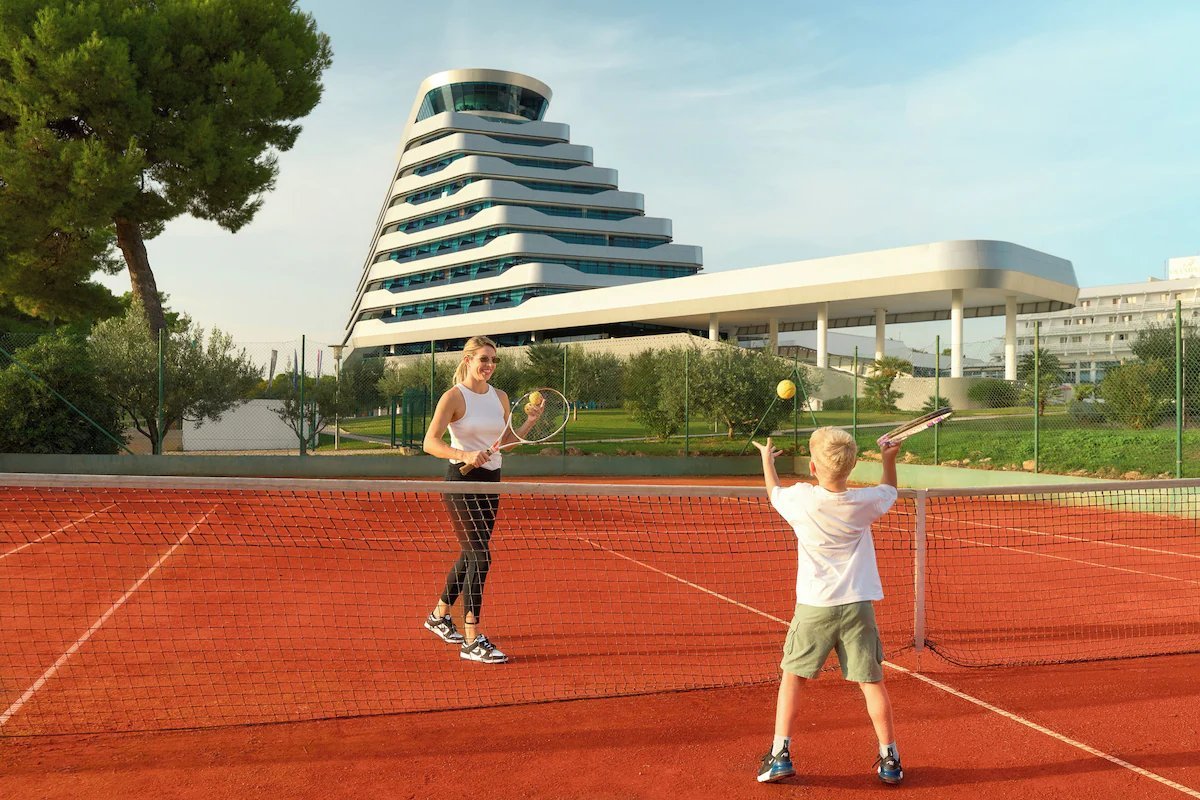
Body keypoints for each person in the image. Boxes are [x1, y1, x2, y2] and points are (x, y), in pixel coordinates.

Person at [751, 427, 903, 785]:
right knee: (871, 682)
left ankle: (780, 754)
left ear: (813, 468)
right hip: (857, 607)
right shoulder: (864, 502)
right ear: (852, 467)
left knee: (793, 678)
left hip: (814, 607)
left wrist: (767, 461)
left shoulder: (801, 498)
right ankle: (890, 758)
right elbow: (889, 489)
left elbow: (774, 492)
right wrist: (888, 459)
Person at [421, 335, 540, 664]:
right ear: (468, 360)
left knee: (471, 552)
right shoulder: (454, 397)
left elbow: (507, 441)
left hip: (491, 482)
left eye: (493, 360)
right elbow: (430, 442)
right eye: (483, 359)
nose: (489, 365)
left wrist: (530, 421)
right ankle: (471, 639)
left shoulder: (500, 397)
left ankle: (439, 616)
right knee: (481, 555)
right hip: (461, 482)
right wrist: (465, 454)